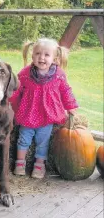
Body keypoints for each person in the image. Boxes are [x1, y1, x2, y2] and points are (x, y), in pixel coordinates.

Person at [9, 38, 78, 179]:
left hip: (47, 116)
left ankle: (39, 165)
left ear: (54, 58)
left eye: (47, 55)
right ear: (32, 55)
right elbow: (16, 91)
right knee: (23, 139)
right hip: (28, 114)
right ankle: (20, 163)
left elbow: (65, 90)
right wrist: (10, 103)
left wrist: (70, 105)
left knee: (43, 141)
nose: (41, 57)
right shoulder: (25, 73)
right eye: (38, 53)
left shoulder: (59, 75)